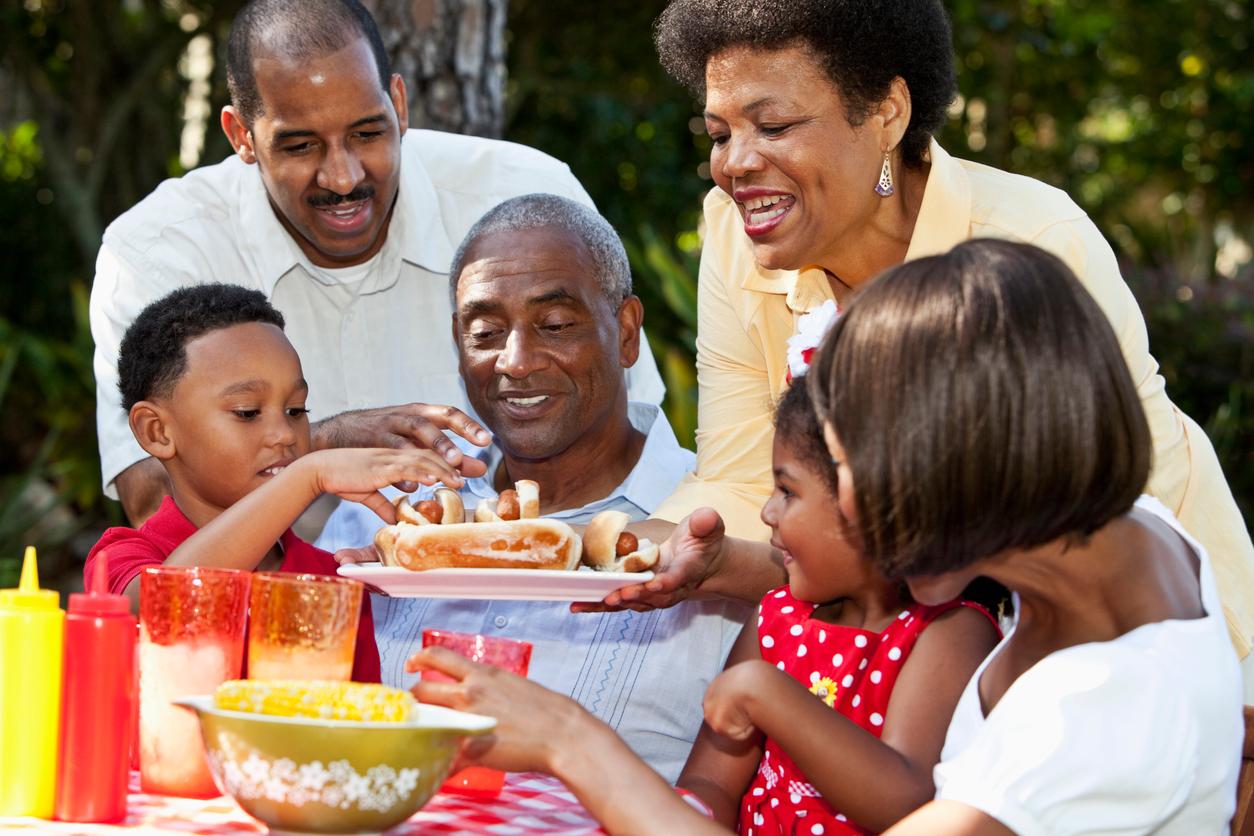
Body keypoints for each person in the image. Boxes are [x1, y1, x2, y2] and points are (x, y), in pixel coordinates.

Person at [409, 240, 1243, 835]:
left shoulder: (1095, 719)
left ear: (949, 466)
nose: (842, 508)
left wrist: (567, 739)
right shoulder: (1128, 533)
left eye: (843, 470)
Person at [610, 0, 1254, 672]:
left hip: (1148, 643)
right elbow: (743, 483)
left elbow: (1087, 521)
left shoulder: (1027, 246)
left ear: (887, 113)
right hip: (939, 663)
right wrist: (627, 548)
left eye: (773, 125)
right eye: (719, 134)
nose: (735, 164)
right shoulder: (733, 234)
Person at [89, 0, 665, 527]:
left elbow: (630, 434)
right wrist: (316, 445)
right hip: (270, 609)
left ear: (399, 103)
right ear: (242, 135)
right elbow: (153, 504)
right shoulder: (161, 247)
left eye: (367, 134)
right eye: (300, 146)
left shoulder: (522, 199)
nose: (343, 178)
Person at [319, 194, 749, 781]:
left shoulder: (721, 535)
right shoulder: (381, 512)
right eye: (486, 332)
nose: (515, 361)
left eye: (554, 325)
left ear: (625, 333)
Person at [83, 284, 472, 683]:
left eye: (296, 410)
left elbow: (358, 729)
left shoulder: (331, 582)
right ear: (157, 431)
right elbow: (166, 608)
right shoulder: (123, 558)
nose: (285, 434)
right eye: (248, 412)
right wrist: (309, 474)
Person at [676, 381, 1000, 833]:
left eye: (787, 491)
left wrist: (767, 693)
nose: (768, 513)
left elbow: (904, 801)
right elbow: (711, 781)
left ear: (874, 506)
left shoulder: (947, 631)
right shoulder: (776, 618)